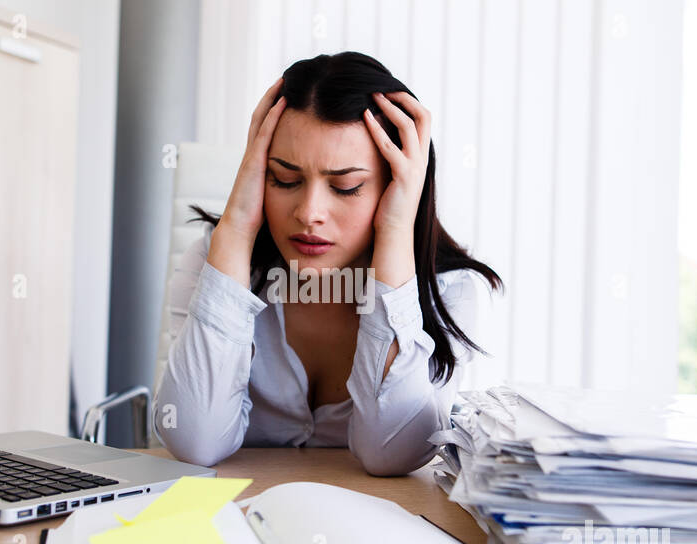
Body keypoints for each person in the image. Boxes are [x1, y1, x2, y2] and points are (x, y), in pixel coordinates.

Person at [153, 51, 502, 476]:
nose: (309, 212)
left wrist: (395, 231)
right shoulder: (220, 261)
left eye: (346, 186)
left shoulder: (450, 290)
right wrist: (237, 228)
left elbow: (391, 453)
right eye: (285, 179)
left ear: (396, 186)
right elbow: (195, 441)